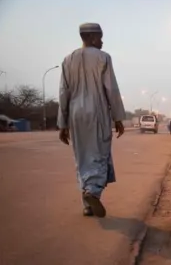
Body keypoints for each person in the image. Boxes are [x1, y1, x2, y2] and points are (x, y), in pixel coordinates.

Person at [58, 23, 125, 218]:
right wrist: (118, 118)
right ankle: (93, 193)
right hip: (97, 112)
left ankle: (87, 205)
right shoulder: (103, 58)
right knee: (99, 155)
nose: (102, 41)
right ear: (93, 37)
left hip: (75, 114)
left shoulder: (67, 59)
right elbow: (111, 89)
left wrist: (63, 124)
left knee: (82, 157)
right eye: (100, 37)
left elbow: (63, 92)